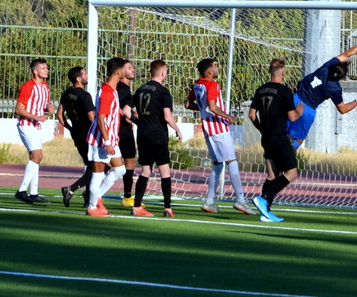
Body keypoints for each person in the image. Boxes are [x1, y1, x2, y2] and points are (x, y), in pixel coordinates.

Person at [184, 57, 256, 215]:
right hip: (218, 128)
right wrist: (228, 116)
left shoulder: (197, 84)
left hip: (208, 130)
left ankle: (209, 201)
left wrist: (203, 109)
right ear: (210, 71)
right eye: (215, 67)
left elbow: (188, 105)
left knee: (218, 165)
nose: (217, 69)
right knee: (232, 162)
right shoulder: (212, 85)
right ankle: (241, 200)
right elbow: (212, 107)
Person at [287, 36, 357, 149]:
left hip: (293, 100)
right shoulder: (335, 88)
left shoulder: (326, 67)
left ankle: (273, 154)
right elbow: (343, 109)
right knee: (298, 139)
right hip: (307, 111)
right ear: (342, 76)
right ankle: (284, 157)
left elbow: (347, 54)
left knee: (280, 131)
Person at [249, 59, 304, 223]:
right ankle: (263, 198)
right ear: (283, 72)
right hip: (280, 138)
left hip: (266, 137)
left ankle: (265, 212)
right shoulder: (285, 91)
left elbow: (252, 114)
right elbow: (292, 117)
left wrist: (261, 129)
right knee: (291, 173)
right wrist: (299, 112)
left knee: (272, 175)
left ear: (270, 72)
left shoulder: (260, 89)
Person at [129, 60, 183, 217]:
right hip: (158, 135)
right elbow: (167, 116)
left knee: (145, 170)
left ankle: (136, 206)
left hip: (142, 135)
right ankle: (167, 208)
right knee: (164, 171)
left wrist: (139, 122)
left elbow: (125, 110)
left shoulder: (140, 89)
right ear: (163, 73)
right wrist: (177, 129)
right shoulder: (163, 92)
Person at [84, 57, 131, 217]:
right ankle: (91, 207)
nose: (127, 71)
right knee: (98, 174)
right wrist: (108, 142)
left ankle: (97, 197)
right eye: (125, 68)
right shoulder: (107, 92)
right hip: (101, 140)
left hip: (111, 139)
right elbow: (100, 119)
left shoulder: (112, 90)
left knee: (120, 170)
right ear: (118, 72)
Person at [14, 58, 54, 204]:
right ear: (35, 71)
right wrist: (37, 117)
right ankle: (21, 191)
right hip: (26, 125)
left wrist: (47, 108)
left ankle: (34, 193)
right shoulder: (28, 86)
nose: (46, 70)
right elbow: (19, 109)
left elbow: (40, 105)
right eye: (43, 68)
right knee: (37, 155)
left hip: (36, 126)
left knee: (35, 157)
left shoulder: (45, 86)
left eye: (46, 67)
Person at [56, 66, 96, 208]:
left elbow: (59, 115)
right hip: (88, 134)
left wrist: (70, 128)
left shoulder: (67, 93)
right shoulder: (85, 96)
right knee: (99, 167)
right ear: (78, 78)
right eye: (85, 74)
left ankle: (88, 197)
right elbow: (92, 118)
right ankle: (71, 189)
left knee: (90, 165)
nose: (87, 75)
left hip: (77, 134)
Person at [117, 60, 138, 207]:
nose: (133, 70)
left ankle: (91, 190)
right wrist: (131, 118)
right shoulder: (122, 88)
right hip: (122, 130)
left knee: (110, 163)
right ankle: (127, 197)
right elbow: (119, 108)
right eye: (129, 68)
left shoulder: (122, 88)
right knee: (128, 161)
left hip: (120, 129)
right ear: (121, 72)